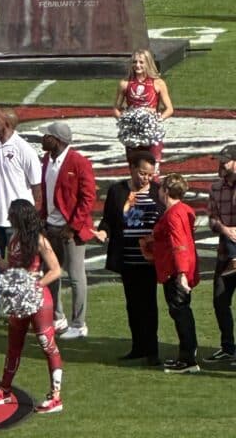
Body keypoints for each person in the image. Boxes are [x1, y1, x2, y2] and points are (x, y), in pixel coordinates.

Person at [0, 200, 64, 415]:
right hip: (18, 299)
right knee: (13, 345)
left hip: (37, 299)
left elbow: (56, 270)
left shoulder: (39, 241)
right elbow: (9, 267)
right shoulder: (14, 239)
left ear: (20, 217)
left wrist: (35, 284)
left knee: (47, 344)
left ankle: (56, 396)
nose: (8, 217)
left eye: (12, 214)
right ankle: (5, 389)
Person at [95, 149, 163, 364]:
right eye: (143, 173)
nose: (146, 178)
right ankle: (137, 347)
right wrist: (103, 232)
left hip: (149, 260)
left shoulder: (158, 192)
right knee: (132, 304)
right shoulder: (117, 191)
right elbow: (108, 219)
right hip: (127, 257)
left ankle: (152, 350)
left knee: (149, 304)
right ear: (132, 169)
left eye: (150, 174)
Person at [0, 108, 41, 325]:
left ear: (5, 123)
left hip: (17, 221)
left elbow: (36, 186)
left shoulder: (25, 149)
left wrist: (32, 218)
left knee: (19, 266)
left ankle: (16, 308)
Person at [40, 121, 96, 340]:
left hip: (71, 230)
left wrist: (72, 227)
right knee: (51, 273)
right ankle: (57, 317)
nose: (43, 139)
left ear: (57, 140)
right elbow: (46, 193)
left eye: (47, 136)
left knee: (75, 276)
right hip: (51, 226)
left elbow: (88, 198)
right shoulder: (47, 160)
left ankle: (79, 323)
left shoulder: (79, 162)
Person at [147, 173, 200, 374]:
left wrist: (181, 273)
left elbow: (179, 244)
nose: (158, 191)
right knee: (182, 311)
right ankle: (188, 357)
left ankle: (187, 359)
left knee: (180, 312)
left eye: (161, 188)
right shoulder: (183, 210)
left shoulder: (173, 214)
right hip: (178, 268)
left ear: (167, 191)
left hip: (174, 270)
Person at [113, 48, 173, 169]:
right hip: (132, 134)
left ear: (148, 63)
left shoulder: (158, 83)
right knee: (134, 169)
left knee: (152, 170)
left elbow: (169, 109)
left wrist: (156, 121)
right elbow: (116, 108)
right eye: (135, 62)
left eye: (141, 62)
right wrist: (126, 122)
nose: (137, 65)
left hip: (151, 133)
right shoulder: (125, 83)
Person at [206, 144, 236, 362]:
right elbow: (211, 219)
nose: (221, 164)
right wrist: (224, 229)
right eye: (220, 160)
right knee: (220, 300)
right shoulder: (216, 188)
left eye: (225, 161)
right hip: (225, 254)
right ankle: (228, 346)